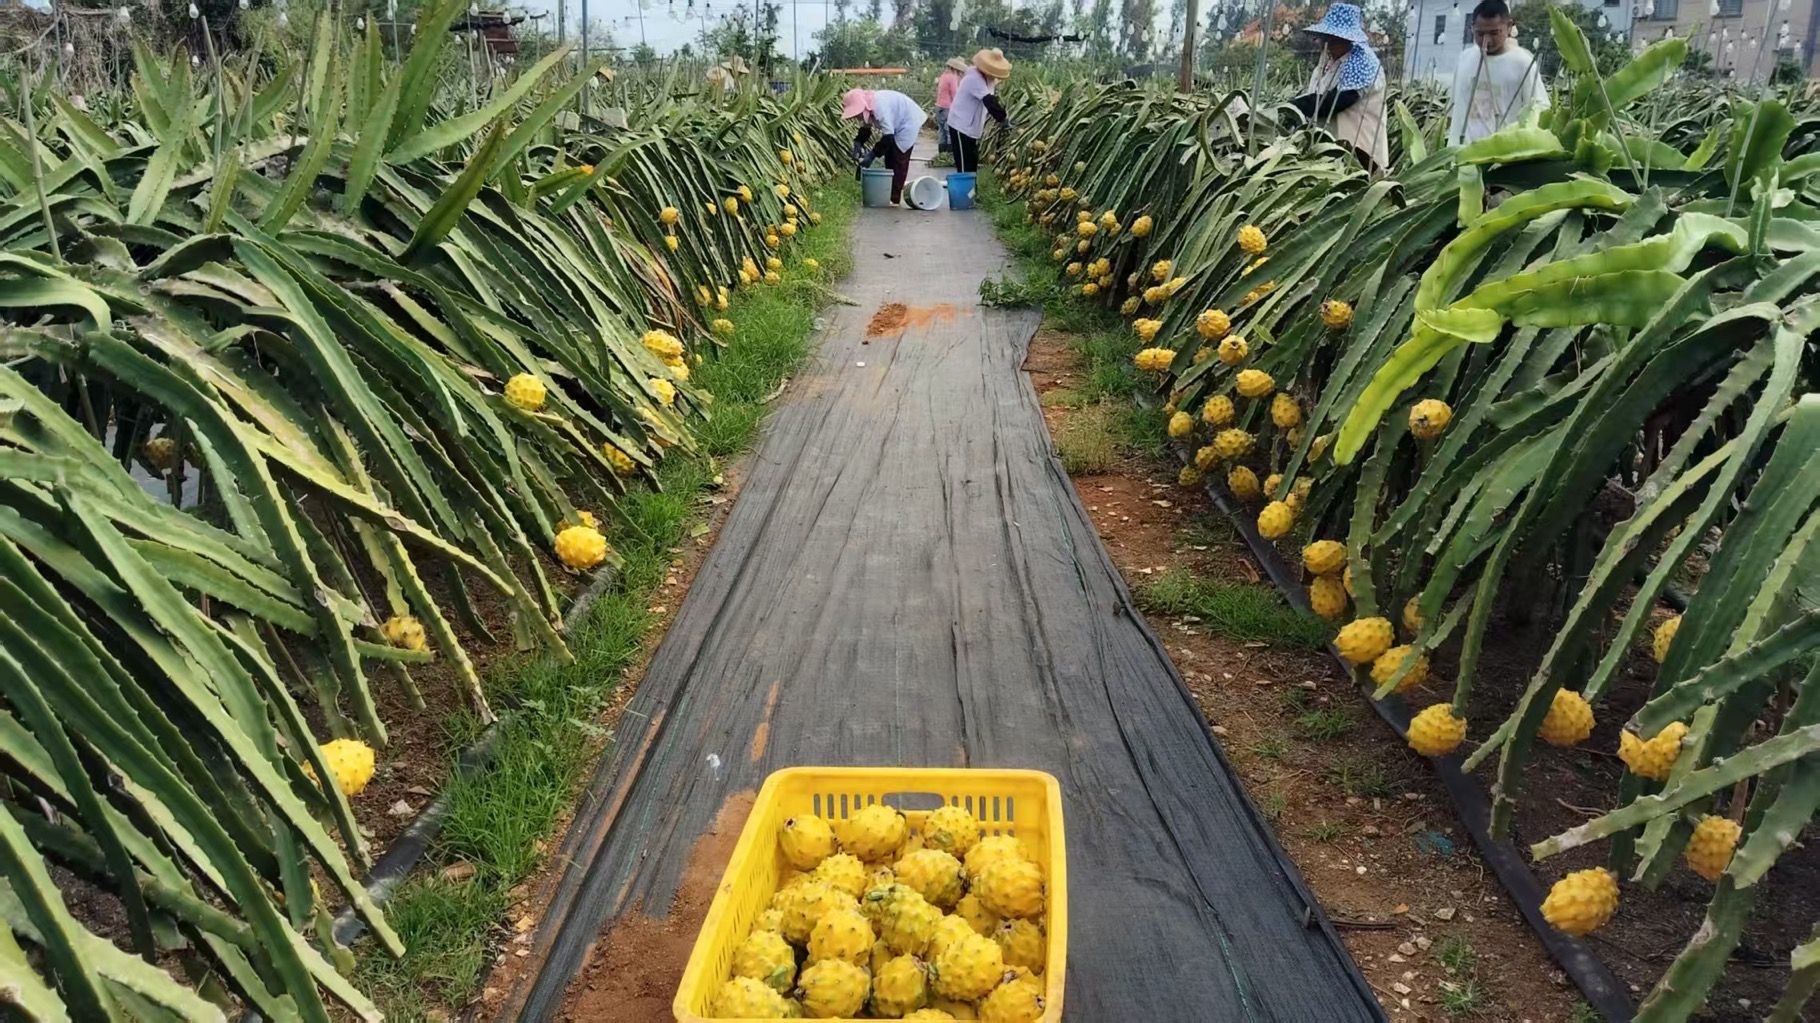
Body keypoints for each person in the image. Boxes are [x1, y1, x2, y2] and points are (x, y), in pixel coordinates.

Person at [1287, 4, 1391, 173]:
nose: (1326, 43)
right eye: (1324, 37)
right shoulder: (1329, 60)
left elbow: (1335, 101)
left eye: (1332, 38)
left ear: (1348, 39)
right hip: (1331, 151)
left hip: (1361, 156)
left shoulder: (1362, 62)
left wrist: (1291, 107)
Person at [1447, 0, 1549, 146]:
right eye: (1480, 33)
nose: (1486, 40)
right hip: (1460, 153)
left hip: (1501, 158)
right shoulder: (1464, 59)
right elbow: (1454, 106)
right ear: (1472, 28)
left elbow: (1540, 111)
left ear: (1508, 27)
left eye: (1494, 32)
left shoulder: (1523, 63)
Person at [841, 87, 928, 207]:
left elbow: (888, 137)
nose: (857, 117)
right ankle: (888, 195)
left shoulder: (879, 107)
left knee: (899, 159)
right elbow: (866, 129)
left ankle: (894, 199)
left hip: (908, 122)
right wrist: (858, 142)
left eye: (857, 114)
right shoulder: (868, 104)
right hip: (898, 122)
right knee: (889, 158)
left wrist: (872, 155)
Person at [947, 48, 1012, 174]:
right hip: (960, 126)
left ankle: (971, 191)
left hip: (970, 128)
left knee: (972, 162)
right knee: (964, 165)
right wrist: (1002, 118)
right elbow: (989, 101)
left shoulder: (988, 79)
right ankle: (962, 192)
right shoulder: (974, 78)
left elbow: (992, 98)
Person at [935, 57, 967, 154]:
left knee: (941, 131)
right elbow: (955, 94)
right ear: (956, 69)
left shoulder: (943, 76)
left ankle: (941, 153)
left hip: (939, 106)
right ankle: (949, 154)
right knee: (949, 131)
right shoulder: (953, 77)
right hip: (947, 107)